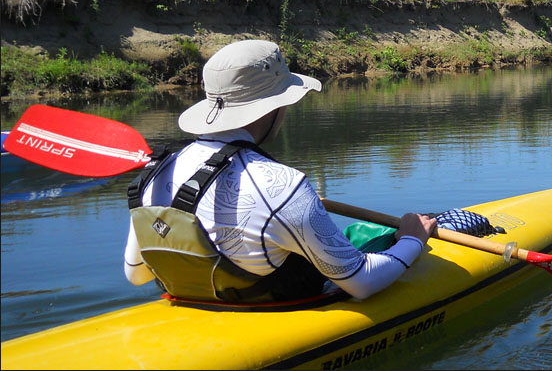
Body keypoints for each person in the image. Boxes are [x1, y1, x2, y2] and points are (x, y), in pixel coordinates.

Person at [123, 39, 437, 304]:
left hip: (196, 307)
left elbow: (135, 274)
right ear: (273, 107)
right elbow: (363, 282)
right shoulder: (284, 186)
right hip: (270, 314)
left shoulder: (156, 171)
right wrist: (413, 240)